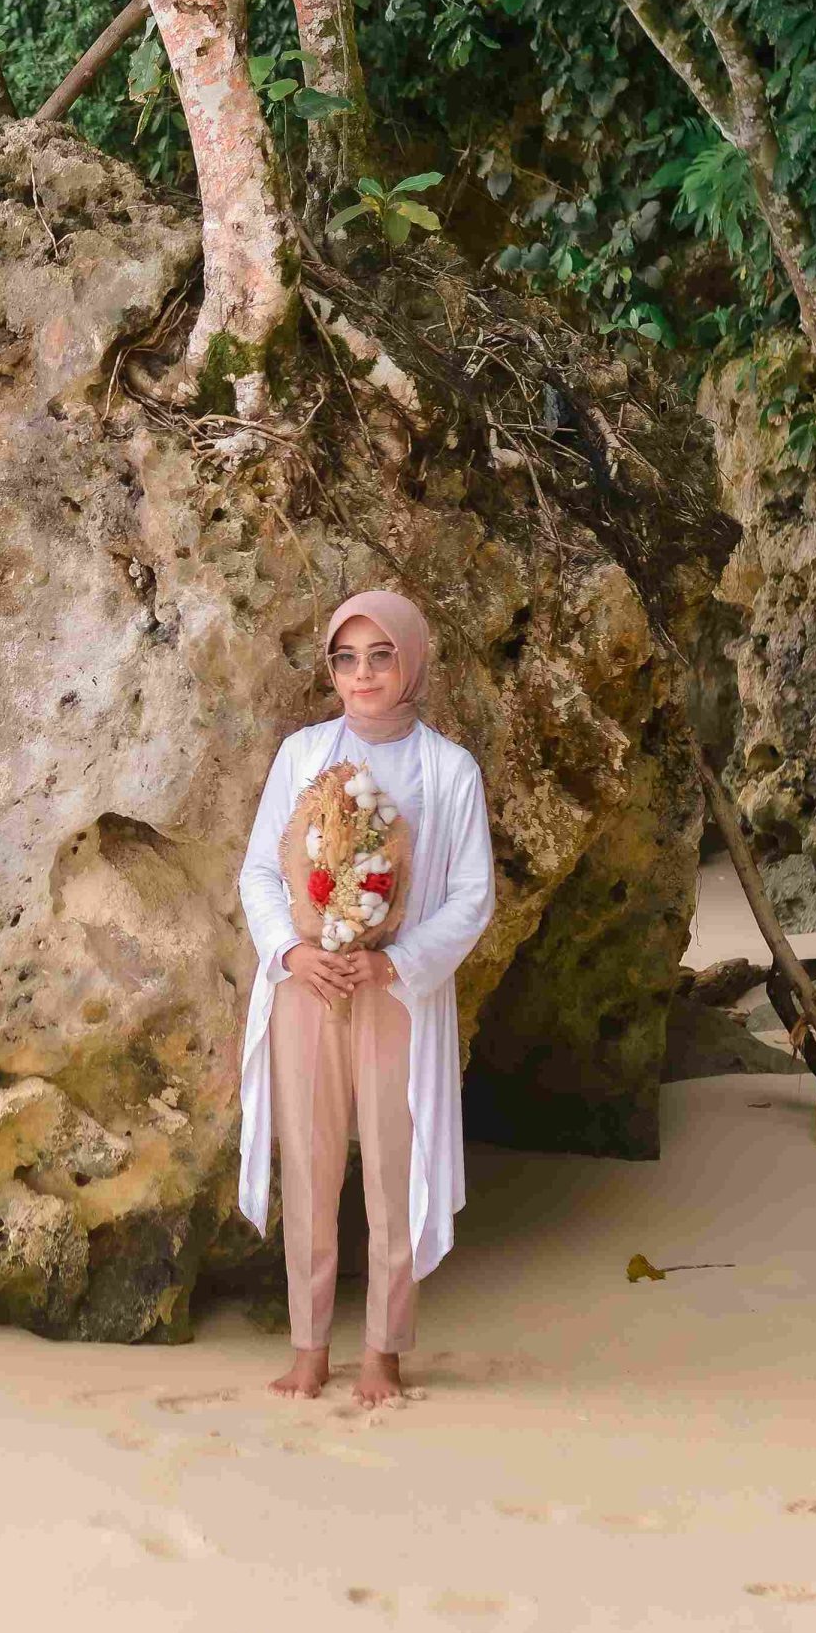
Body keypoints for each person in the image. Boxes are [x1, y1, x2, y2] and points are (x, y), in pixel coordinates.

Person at [237, 590, 494, 1406]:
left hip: (397, 995)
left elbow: (471, 897)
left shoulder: (449, 770)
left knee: (391, 1165)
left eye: (381, 656)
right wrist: (292, 951)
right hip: (307, 987)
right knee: (310, 1166)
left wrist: (394, 964)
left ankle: (384, 1351)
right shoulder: (301, 754)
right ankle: (308, 1347)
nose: (363, 674)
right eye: (346, 658)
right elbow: (261, 870)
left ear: (410, 662)